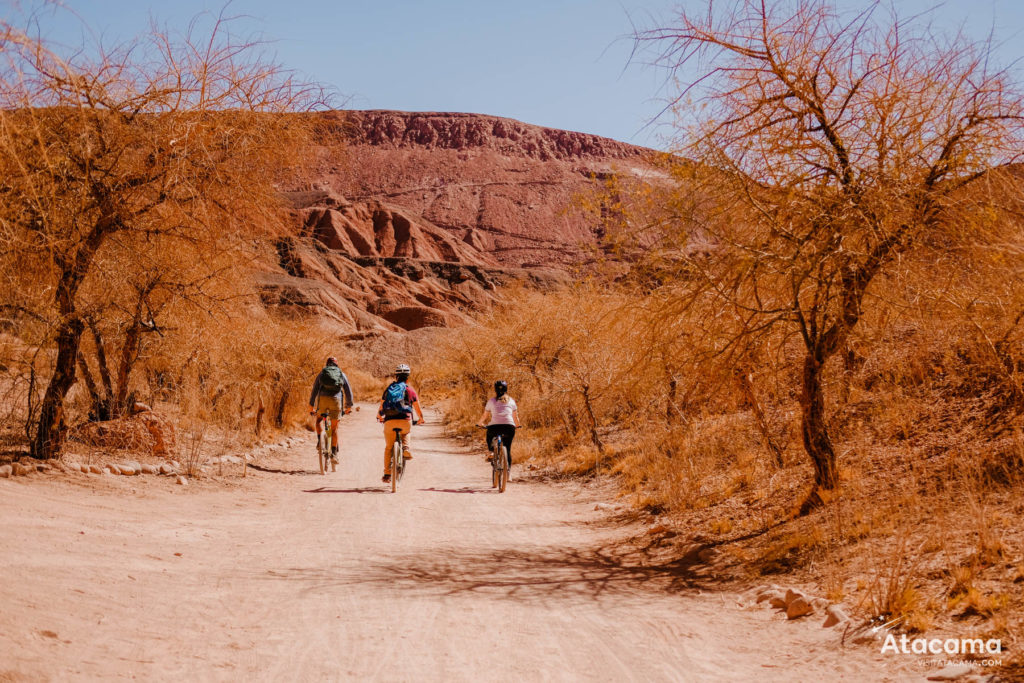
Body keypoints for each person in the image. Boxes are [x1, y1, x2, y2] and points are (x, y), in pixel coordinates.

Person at [377, 363, 425, 483]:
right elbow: (417, 408)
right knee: (407, 432)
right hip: (405, 420)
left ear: (396, 376)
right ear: (408, 378)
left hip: (389, 421)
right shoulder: (410, 390)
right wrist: (421, 419)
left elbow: (382, 405)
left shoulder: (389, 389)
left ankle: (387, 474)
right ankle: (406, 448)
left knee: (388, 448)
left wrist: (379, 416)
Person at [308, 357, 354, 465]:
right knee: (334, 429)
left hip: (322, 400)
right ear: (336, 365)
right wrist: (349, 406)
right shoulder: (341, 374)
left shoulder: (322, 373)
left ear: (327, 364)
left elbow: (315, 389)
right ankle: (334, 454)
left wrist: (311, 405)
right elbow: (348, 390)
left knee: (319, 420)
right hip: (336, 401)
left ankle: (320, 441)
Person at [476, 380, 521, 468]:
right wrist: (518, 425)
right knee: (507, 449)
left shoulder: (491, 401)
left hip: (494, 427)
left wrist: (479, 423)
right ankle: (508, 474)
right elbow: (515, 417)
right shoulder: (512, 401)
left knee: (489, 435)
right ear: (506, 389)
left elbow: (485, 415)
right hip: (509, 427)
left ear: (495, 390)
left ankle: (492, 451)